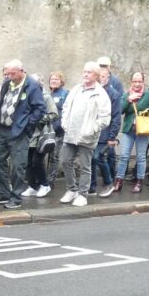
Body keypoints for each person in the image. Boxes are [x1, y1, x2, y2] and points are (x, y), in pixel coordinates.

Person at [0, 59, 46, 210]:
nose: (9, 76)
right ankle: (3, 193)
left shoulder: (32, 86)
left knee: (17, 165)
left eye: (12, 74)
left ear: (21, 71)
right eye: (7, 74)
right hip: (3, 129)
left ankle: (16, 198)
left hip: (19, 131)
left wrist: (27, 125)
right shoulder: (7, 83)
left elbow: (40, 109)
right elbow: (1, 104)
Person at [58, 62, 112, 207]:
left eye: (89, 72)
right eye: (84, 71)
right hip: (71, 133)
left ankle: (83, 195)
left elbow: (105, 118)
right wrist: (64, 122)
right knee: (65, 161)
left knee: (85, 166)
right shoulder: (76, 89)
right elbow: (66, 107)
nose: (85, 74)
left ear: (96, 75)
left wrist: (92, 129)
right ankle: (71, 189)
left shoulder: (101, 94)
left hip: (87, 136)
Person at [117, 72, 149, 193]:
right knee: (123, 156)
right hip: (129, 130)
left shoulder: (148, 95)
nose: (137, 84)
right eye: (135, 81)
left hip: (143, 129)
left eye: (140, 81)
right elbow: (120, 110)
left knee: (140, 157)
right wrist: (128, 100)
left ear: (143, 82)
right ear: (131, 82)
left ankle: (139, 182)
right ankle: (118, 181)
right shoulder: (126, 95)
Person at [23, 74, 58, 198]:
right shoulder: (27, 96)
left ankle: (44, 184)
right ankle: (33, 186)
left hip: (41, 135)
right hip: (29, 134)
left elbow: (54, 114)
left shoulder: (46, 96)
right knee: (28, 162)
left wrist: (38, 119)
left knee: (36, 161)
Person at [92, 67, 123, 197]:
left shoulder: (113, 94)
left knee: (98, 157)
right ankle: (91, 187)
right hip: (93, 132)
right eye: (99, 76)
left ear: (108, 78)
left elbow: (116, 117)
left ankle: (109, 182)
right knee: (91, 160)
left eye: (103, 76)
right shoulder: (94, 92)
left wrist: (112, 136)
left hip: (106, 134)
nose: (101, 79)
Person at [44, 72, 69, 190]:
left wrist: (62, 126)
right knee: (44, 155)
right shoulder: (48, 94)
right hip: (47, 130)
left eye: (56, 79)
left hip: (59, 131)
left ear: (61, 81)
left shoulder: (65, 94)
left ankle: (50, 181)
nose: (53, 81)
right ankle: (43, 178)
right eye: (52, 79)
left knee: (54, 156)